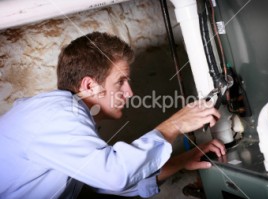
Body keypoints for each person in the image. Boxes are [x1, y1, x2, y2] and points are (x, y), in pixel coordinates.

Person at [0, 32, 225, 199]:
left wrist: (182, 162)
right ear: (90, 85)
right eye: (121, 81)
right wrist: (176, 124)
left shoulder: (65, 119)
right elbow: (114, 175)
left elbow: (106, 183)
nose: (129, 92)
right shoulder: (56, 115)